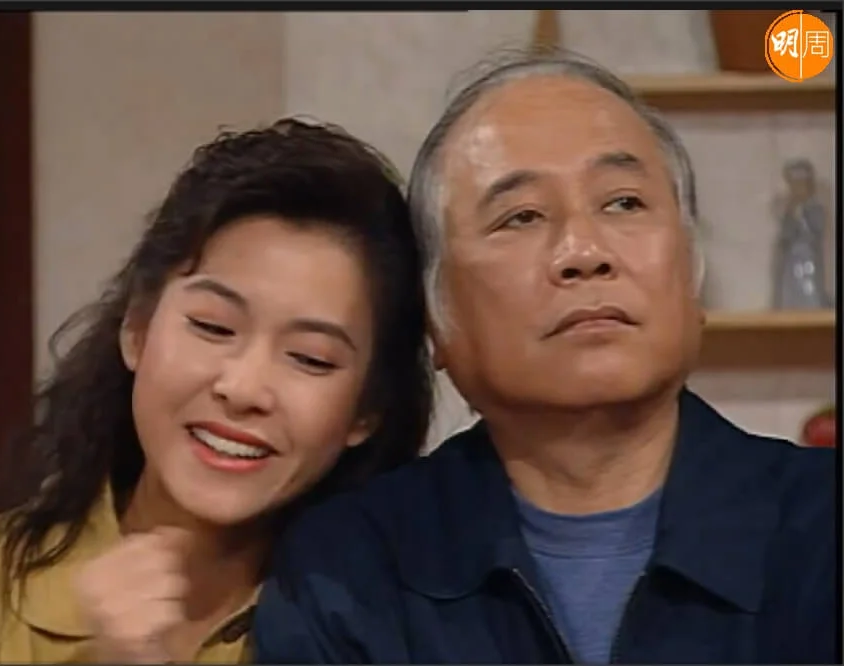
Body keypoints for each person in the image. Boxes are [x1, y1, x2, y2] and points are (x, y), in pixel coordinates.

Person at [252, 49, 838, 664]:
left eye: (624, 203)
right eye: (522, 216)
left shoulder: (824, 528)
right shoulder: (349, 568)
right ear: (436, 322)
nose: (584, 251)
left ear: (692, 278)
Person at [0, 118, 433, 664]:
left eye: (310, 358)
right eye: (213, 326)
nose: (243, 388)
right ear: (137, 329)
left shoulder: (390, 629)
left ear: (366, 411)